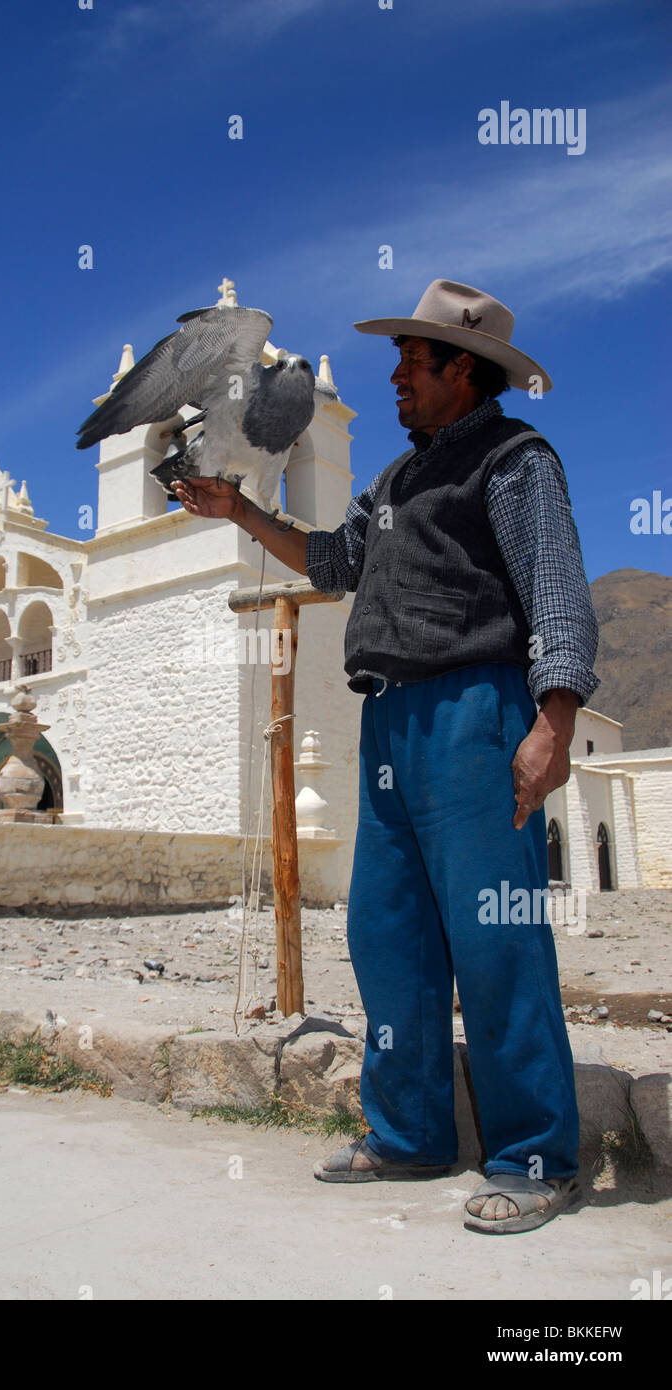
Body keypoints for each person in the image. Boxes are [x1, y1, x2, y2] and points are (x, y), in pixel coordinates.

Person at [172, 279, 599, 1235]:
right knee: (388, 935)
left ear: (464, 370)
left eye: (414, 361)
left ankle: (537, 1156)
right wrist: (237, 511)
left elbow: (559, 593)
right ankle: (410, 1136)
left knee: (496, 942)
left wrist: (554, 722)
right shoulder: (397, 484)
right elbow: (331, 564)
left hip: (477, 714)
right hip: (392, 724)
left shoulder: (515, 460)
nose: (397, 377)